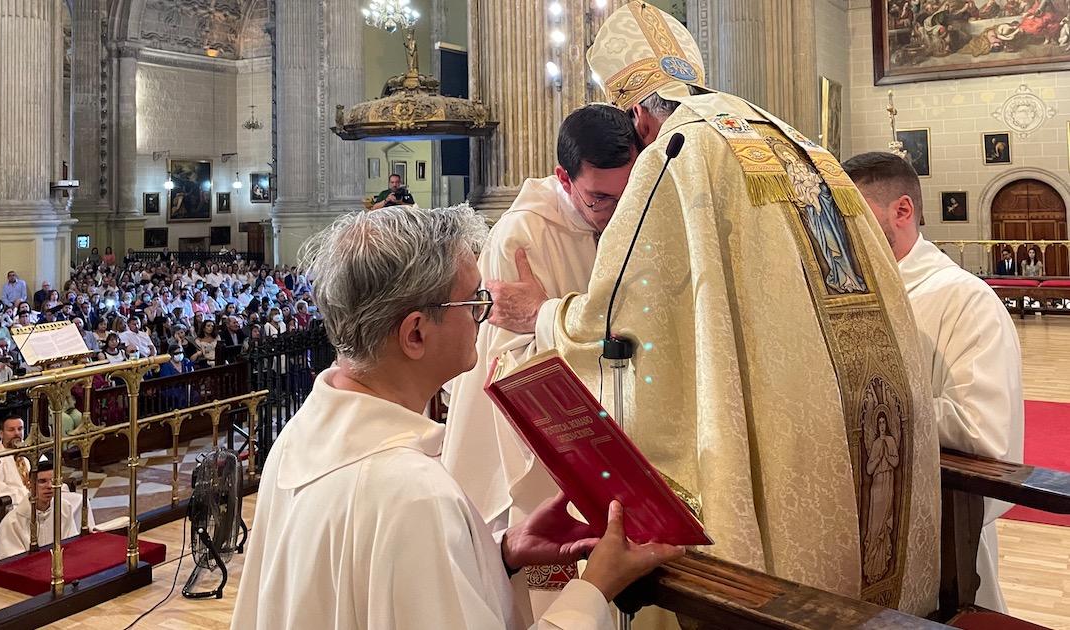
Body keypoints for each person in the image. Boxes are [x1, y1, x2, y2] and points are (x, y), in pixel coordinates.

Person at [485, 2, 939, 615]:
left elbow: (621, 330)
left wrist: (543, 316)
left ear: (637, 113)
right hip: (831, 414)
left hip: (756, 420)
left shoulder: (676, 153)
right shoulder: (790, 136)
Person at [231, 206, 682, 630]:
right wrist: (595, 588)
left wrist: (498, 554)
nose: (484, 318)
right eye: (472, 302)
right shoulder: (411, 493)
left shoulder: (300, 438)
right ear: (415, 333)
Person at [442, 103, 639, 618]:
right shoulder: (522, 235)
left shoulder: (625, 220)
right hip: (541, 443)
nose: (615, 213)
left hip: (603, 421)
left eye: (626, 195)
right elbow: (508, 367)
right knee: (544, 590)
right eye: (599, 198)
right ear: (562, 177)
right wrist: (555, 324)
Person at [844, 151, 1024, 612]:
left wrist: (856, 404)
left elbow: (980, 430)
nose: (842, 232)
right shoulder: (849, 295)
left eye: (853, 213)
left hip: (940, 532)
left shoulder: (965, 300)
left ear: (902, 211)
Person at [0, 456, 82, 560]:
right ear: (29, 484)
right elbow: (11, 563)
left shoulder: (64, 509)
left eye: (53, 480)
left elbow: (71, 546)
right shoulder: (12, 523)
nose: (49, 486)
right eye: (42, 481)